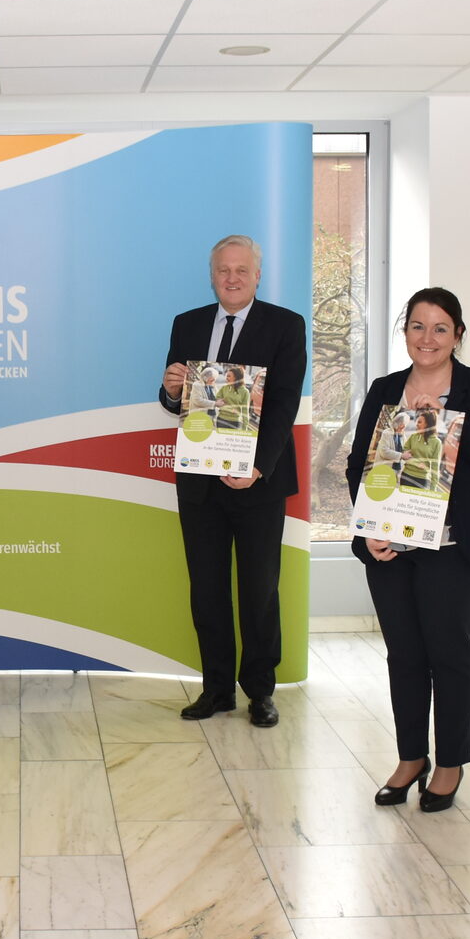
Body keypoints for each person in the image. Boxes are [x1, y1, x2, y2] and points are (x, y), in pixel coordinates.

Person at [346, 287, 470, 810]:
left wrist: (449, 427)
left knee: (448, 652)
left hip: (456, 545)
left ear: (458, 335)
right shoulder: (384, 389)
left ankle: (449, 763)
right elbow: (358, 465)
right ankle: (410, 758)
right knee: (403, 654)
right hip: (391, 546)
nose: (428, 337)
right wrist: (369, 529)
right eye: (417, 326)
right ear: (405, 333)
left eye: (440, 328)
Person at [158, 234, 307, 728]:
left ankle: (260, 692)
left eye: (242, 270)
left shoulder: (286, 325)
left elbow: (284, 404)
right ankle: (216, 689)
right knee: (207, 590)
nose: (232, 278)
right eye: (224, 270)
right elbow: (176, 402)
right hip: (199, 484)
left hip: (258, 484)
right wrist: (170, 389)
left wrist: (256, 466)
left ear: (257, 275)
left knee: (259, 591)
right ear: (212, 276)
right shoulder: (187, 324)